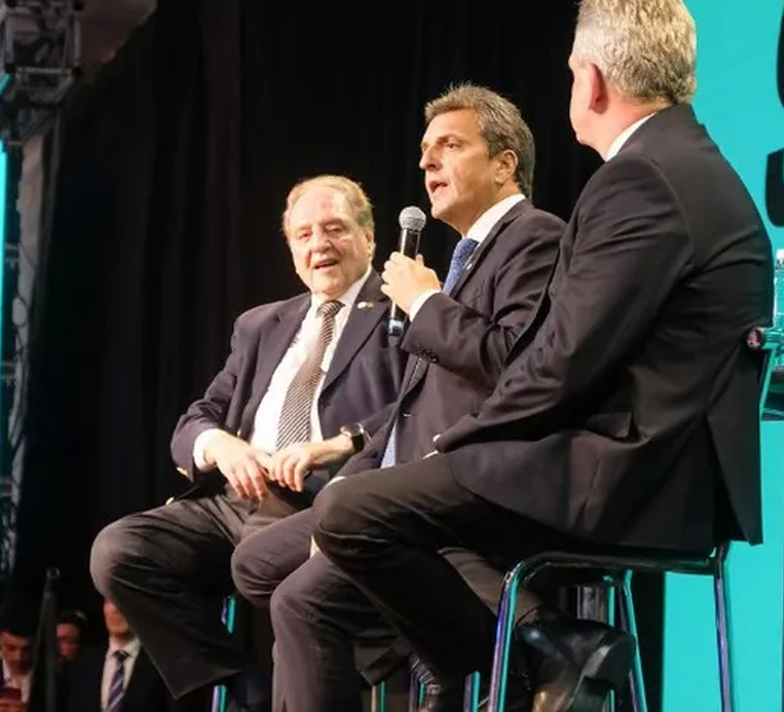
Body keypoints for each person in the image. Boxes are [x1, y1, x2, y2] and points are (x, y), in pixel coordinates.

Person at [311, 1, 775, 709]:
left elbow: (559, 362)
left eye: (568, 76)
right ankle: (540, 653)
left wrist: (459, 444)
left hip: (634, 474)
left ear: (590, 82)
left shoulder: (641, 178)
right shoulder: (688, 164)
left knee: (349, 512)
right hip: (661, 467)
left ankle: (534, 656)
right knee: (398, 517)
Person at [230, 84, 564, 712]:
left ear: (504, 163)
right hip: (399, 478)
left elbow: (512, 363)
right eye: (424, 151)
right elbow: (410, 407)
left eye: (450, 146)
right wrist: (346, 488)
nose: (427, 163)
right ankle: (439, 641)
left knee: (301, 602)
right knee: (256, 564)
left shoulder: (534, 237)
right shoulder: (462, 259)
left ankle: (489, 641)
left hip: (472, 481)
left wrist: (424, 303)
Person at [90, 174, 405, 711]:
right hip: (239, 499)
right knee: (119, 550)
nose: (319, 245)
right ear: (290, 250)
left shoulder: (401, 312)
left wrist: (339, 445)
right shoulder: (262, 324)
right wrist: (221, 446)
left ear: (369, 237)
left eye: (334, 229)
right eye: (303, 235)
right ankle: (237, 681)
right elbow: (197, 419)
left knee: (292, 593)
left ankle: (388, 657)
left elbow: (414, 411)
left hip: (327, 498)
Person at [67, 600, 178, 712]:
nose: (116, 609)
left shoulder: (162, 664)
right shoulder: (86, 663)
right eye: (109, 602)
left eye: (122, 601)